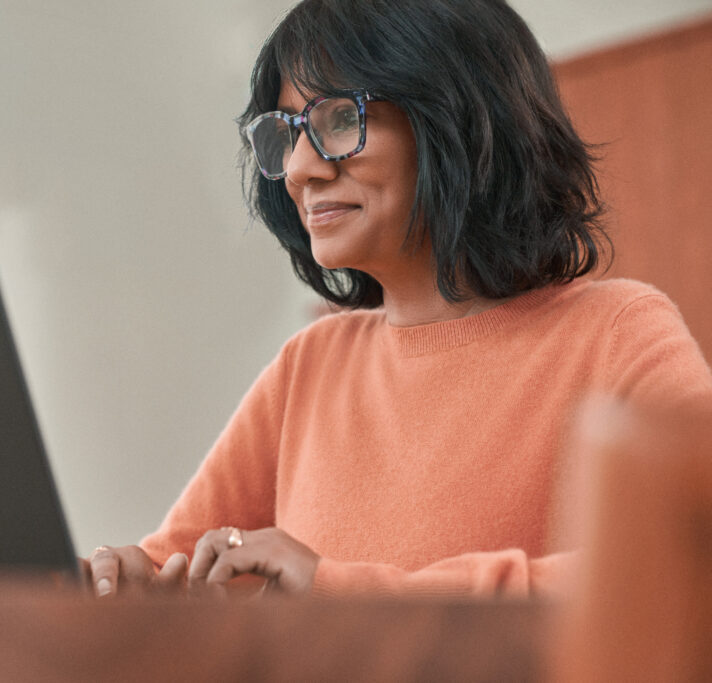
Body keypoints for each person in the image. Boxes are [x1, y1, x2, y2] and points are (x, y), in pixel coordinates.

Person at [85, 0, 712, 599]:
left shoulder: (617, 332)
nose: (302, 168)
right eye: (287, 132)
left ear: (461, 119)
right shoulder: (311, 363)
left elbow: (685, 565)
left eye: (339, 119)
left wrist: (344, 594)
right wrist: (131, 588)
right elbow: (177, 567)